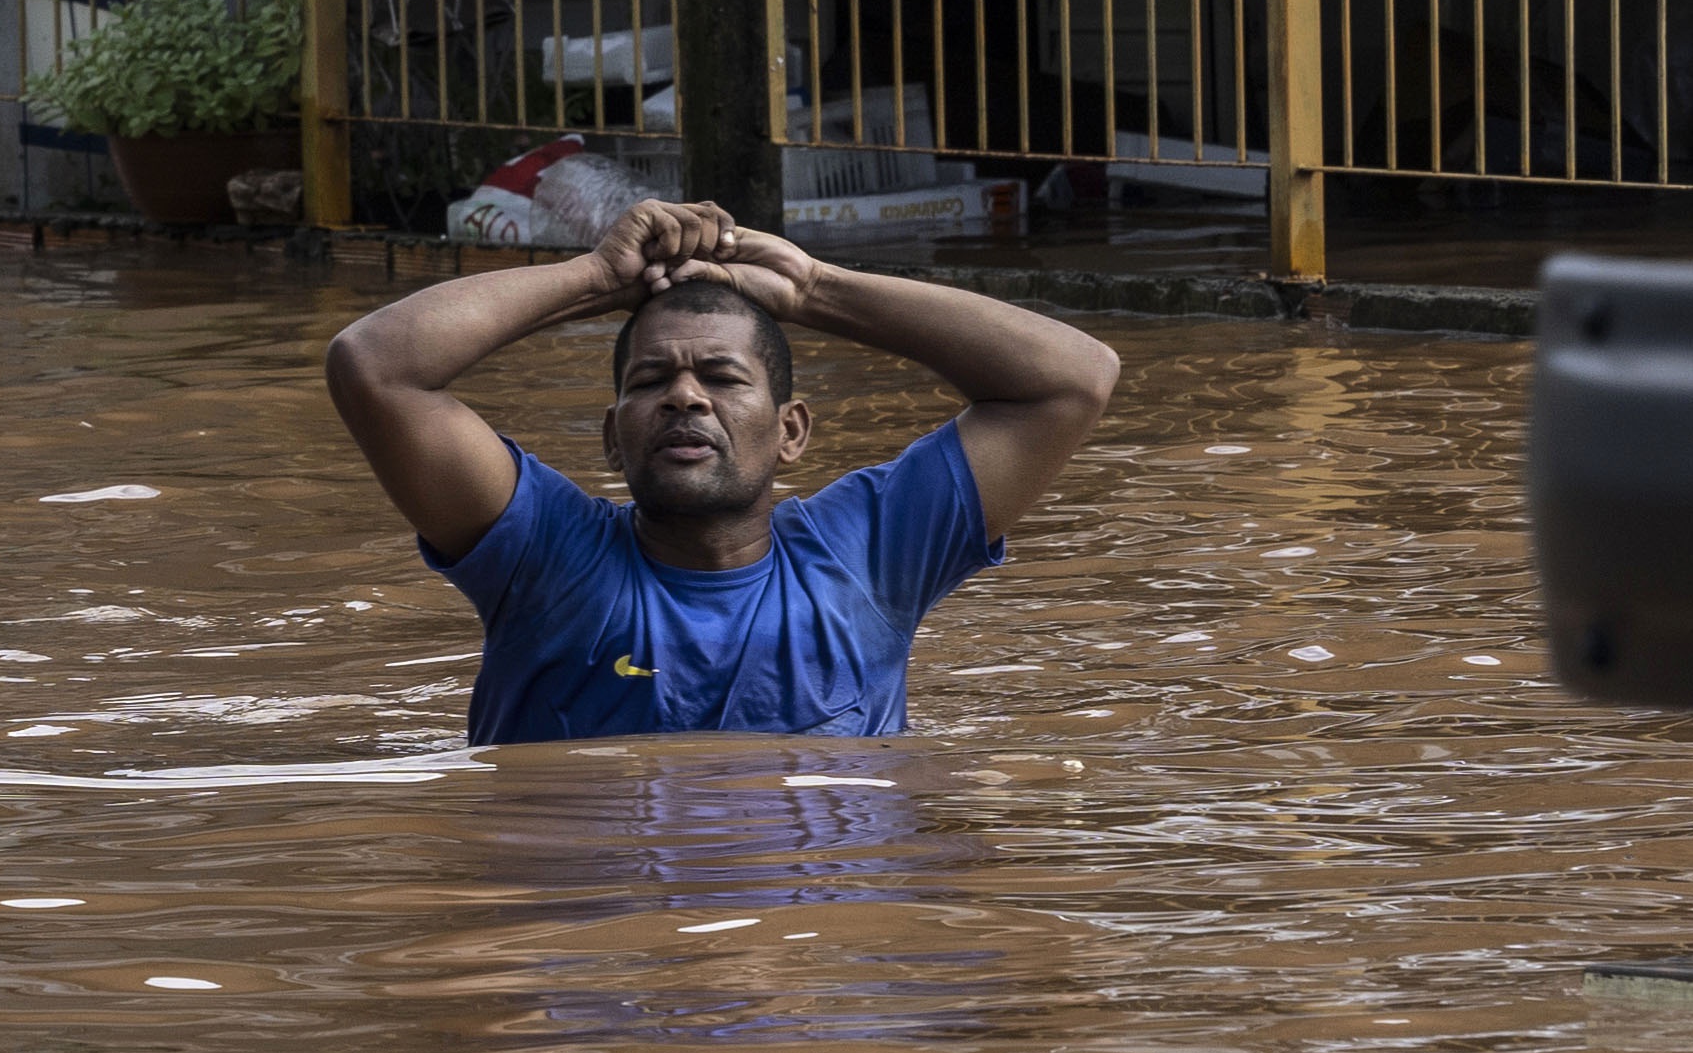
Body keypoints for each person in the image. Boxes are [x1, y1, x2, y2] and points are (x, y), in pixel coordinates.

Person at [322, 200, 1122, 747]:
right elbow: (376, 366)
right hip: (591, 970)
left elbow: (1072, 378)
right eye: (649, 382)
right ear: (612, 437)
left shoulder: (870, 554)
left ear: (792, 432)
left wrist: (816, 290)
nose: (684, 397)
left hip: (808, 972)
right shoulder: (544, 556)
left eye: (723, 378)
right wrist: (596, 279)